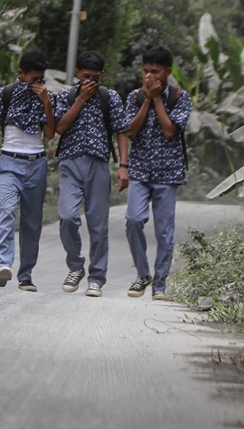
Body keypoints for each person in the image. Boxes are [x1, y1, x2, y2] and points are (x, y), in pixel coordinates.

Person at [0, 50, 55, 292]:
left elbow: (49, 134)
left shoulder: (46, 96)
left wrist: (46, 102)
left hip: (36, 162)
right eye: (33, 78)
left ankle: (26, 275)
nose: (38, 83)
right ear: (21, 73)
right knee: (6, 209)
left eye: (41, 79)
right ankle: (2, 265)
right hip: (9, 162)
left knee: (31, 222)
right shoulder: (4, 94)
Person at [53, 51, 129, 297]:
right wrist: (81, 100)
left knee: (98, 224)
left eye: (95, 78)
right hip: (71, 163)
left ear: (102, 76)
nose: (90, 82)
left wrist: (123, 166)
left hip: (98, 164)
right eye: (86, 77)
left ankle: (96, 277)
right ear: (77, 74)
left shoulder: (110, 97)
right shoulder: (66, 95)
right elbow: (59, 127)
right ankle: (75, 267)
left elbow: (121, 131)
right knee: (66, 216)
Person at [123, 46, 192, 301]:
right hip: (140, 170)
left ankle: (160, 283)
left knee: (164, 232)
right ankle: (143, 274)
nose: (150, 75)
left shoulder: (180, 97)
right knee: (132, 220)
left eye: (156, 71)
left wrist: (159, 99)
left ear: (167, 72)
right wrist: (148, 99)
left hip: (168, 174)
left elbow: (170, 131)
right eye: (147, 70)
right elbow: (130, 131)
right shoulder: (134, 97)